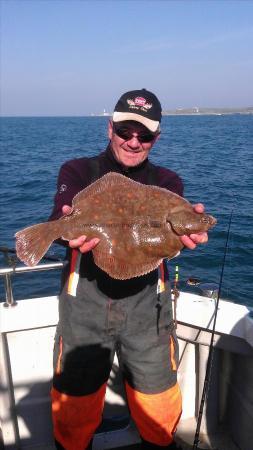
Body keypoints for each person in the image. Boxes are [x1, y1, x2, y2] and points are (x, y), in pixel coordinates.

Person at [49, 89, 208, 450]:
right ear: (110, 129)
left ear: (156, 138)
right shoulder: (77, 171)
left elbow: (165, 245)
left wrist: (182, 237)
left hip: (146, 309)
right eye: (125, 131)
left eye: (145, 135)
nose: (134, 142)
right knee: (74, 411)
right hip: (84, 310)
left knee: (158, 408)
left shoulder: (168, 184)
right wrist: (65, 228)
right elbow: (59, 215)